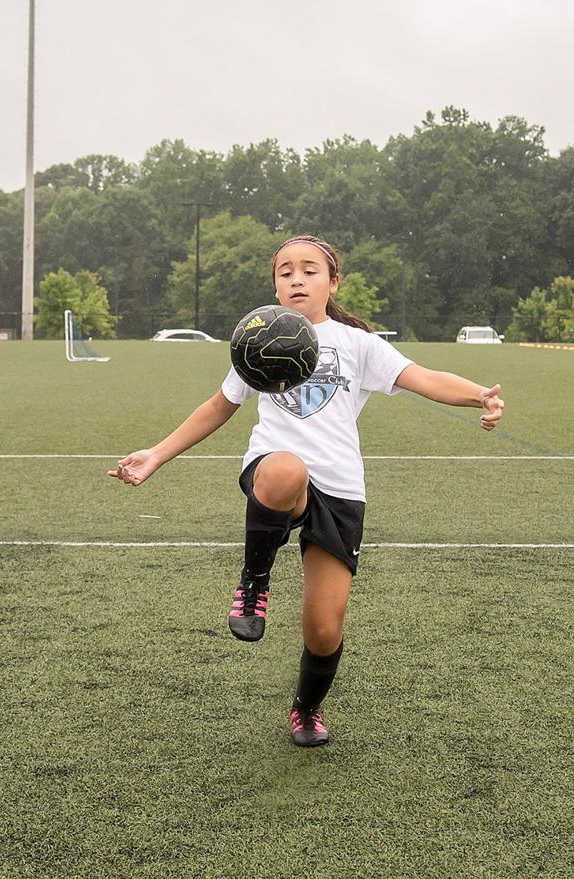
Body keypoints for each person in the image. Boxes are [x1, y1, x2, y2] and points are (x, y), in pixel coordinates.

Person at [108, 235, 504, 746]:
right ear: (274, 284)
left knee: (324, 628)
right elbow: (219, 406)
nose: (297, 279)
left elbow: (424, 378)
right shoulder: (260, 337)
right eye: (286, 271)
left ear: (332, 281)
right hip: (276, 472)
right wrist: (157, 454)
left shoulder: (359, 344)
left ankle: (307, 708)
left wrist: (478, 395)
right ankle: (254, 582)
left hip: (340, 488)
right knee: (286, 469)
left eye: (310, 270)